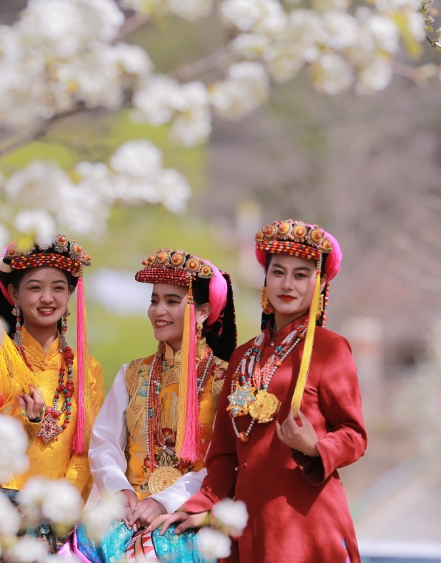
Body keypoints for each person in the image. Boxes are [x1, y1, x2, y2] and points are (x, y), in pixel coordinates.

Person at [152, 219, 367, 563]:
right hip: (246, 523)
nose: (287, 284)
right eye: (278, 272)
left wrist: (316, 448)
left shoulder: (330, 349)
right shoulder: (242, 356)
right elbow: (223, 456)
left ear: (320, 283)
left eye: (301, 275)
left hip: (305, 523)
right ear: (265, 279)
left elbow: (355, 435)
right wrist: (199, 506)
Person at [73, 249, 236, 563]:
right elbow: (104, 442)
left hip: (186, 516)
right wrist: (120, 490)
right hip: (126, 512)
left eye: (172, 301)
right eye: (154, 300)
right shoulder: (132, 373)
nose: (158, 310)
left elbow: (223, 462)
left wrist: (166, 501)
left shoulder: (224, 380)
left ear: (202, 312)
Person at [0, 234, 104, 551]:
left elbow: (86, 452)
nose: (47, 298)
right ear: (13, 294)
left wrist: (58, 506)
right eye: (35, 287)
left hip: (57, 524)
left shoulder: (87, 370)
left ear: (71, 294)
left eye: (58, 288)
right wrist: (24, 418)